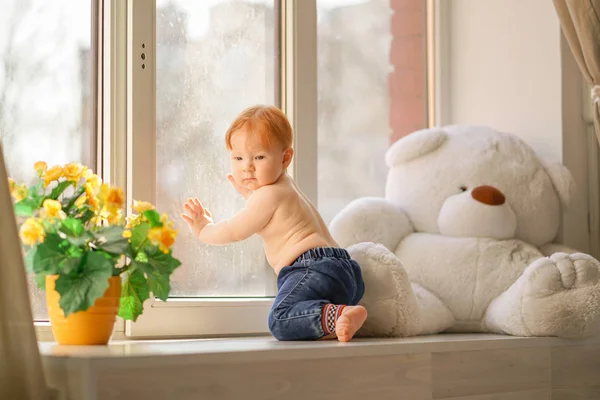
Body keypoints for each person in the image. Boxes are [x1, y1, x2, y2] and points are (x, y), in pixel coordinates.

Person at [181, 105, 366, 342]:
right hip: (347, 272)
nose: (247, 166)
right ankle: (336, 317)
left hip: (311, 269)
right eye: (238, 158)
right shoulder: (285, 186)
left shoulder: (267, 196)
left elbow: (234, 231)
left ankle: (339, 314)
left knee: (279, 319)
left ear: (285, 157)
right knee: (305, 314)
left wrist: (202, 228)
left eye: (259, 157)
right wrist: (250, 194)